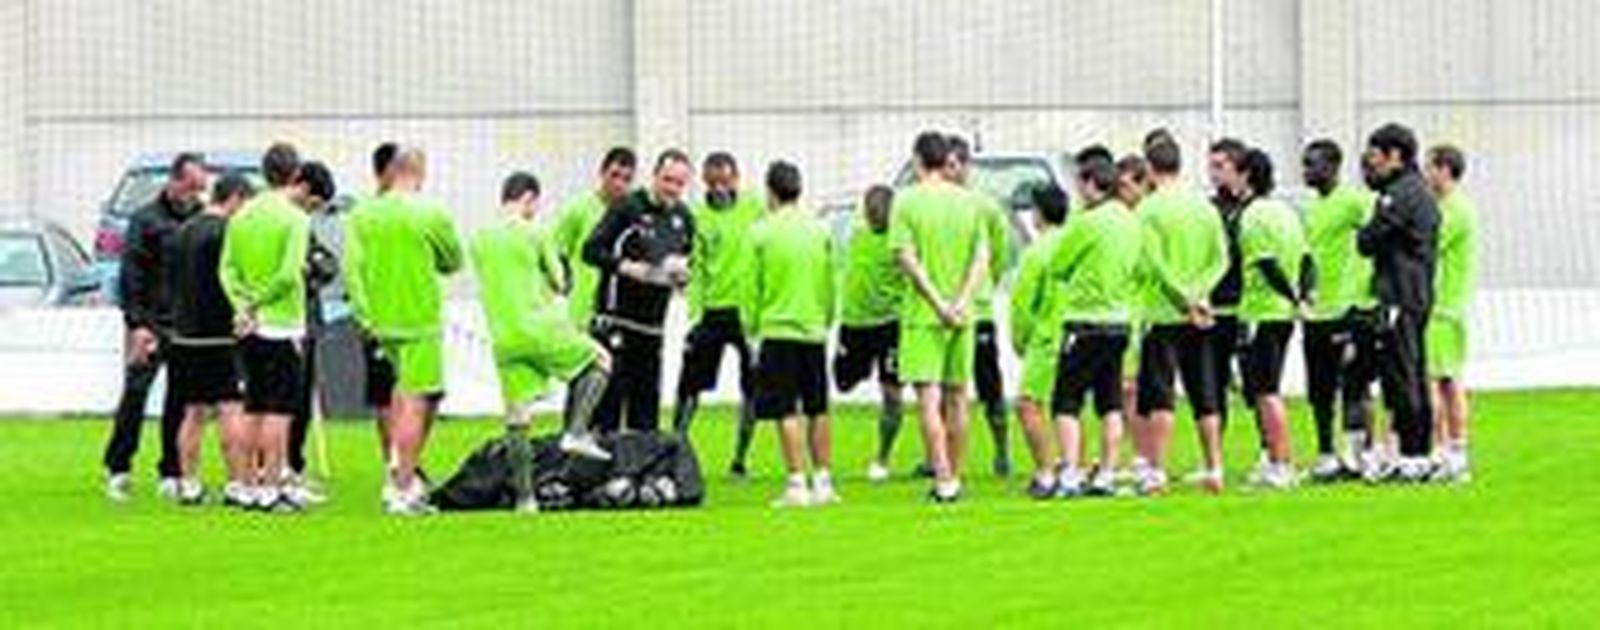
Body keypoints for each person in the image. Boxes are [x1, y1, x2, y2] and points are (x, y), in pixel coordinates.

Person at [469, 172, 615, 511]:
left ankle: (525, 499)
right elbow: (560, 280)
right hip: (539, 326)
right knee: (600, 360)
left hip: (503, 335)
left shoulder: (479, 239)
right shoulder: (536, 231)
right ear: (530, 198)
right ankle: (576, 431)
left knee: (517, 417)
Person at [344, 146, 465, 514]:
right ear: (419, 172)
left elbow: (352, 269)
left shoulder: (362, 214)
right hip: (419, 320)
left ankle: (398, 471)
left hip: (379, 322)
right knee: (417, 399)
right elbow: (453, 261)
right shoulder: (431, 213)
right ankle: (401, 487)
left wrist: (365, 317)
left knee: (400, 396)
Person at [889, 131, 990, 503]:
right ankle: (956, 477)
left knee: (929, 401)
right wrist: (961, 301)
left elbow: (905, 258)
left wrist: (937, 303)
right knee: (959, 398)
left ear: (917, 160)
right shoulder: (968, 202)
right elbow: (982, 258)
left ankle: (944, 478)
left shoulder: (907, 201)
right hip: (963, 314)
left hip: (923, 316)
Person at [103, 152, 208, 502]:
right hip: (149, 322)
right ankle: (118, 467)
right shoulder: (145, 220)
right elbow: (130, 276)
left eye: (200, 188)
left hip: (185, 324)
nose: (195, 194)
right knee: (135, 395)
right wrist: (137, 325)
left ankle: (172, 469)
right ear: (174, 181)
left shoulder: (199, 219)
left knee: (180, 400)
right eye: (191, 186)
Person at [219, 143, 313, 512]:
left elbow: (226, 269)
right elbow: (289, 275)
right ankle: (271, 487)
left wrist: (242, 305)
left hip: (248, 326)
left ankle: (243, 484)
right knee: (279, 411)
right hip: (281, 324)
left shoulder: (240, 217)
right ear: (294, 174)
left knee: (252, 405)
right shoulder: (295, 219)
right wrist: (257, 304)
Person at [1134, 138, 1230, 495]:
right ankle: (1214, 467)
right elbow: (1221, 258)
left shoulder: (1148, 210)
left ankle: (1157, 471)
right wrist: (1200, 294)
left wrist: (1182, 298)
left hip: (1164, 313)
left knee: (1161, 395)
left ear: (1149, 168)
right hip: (1201, 314)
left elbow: (1154, 264)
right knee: (1205, 393)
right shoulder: (1204, 208)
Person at [744, 161, 838, 508]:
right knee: (818, 408)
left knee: (786, 409)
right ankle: (824, 481)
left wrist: (751, 329)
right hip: (813, 330)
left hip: (777, 330)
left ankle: (797, 483)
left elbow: (749, 288)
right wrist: (825, 319)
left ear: (770, 191)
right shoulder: (820, 230)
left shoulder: (760, 233)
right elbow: (830, 283)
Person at [1047, 152, 1141, 498]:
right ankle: (1107, 474)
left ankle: (1070, 474)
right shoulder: (1131, 221)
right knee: (1110, 402)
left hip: (1085, 321)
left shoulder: (1088, 222)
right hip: (1119, 322)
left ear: (1090, 184)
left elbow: (1058, 265)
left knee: (1066, 402)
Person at [583, 149, 696, 434]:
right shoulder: (627, 207)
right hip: (615, 322)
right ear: (655, 176)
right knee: (607, 409)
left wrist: (682, 278)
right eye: (667, 180)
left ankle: (637, 476)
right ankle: (600, 474)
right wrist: (626, 267)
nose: (672, 188)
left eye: (679, 183)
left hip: (652, 328)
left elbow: (683, 260)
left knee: (646, 412)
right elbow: (591, 250)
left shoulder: (684, 218)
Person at [1357, 123, 1441, 482]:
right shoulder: (1420, 190)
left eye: (1375, 158)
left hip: (1399, 294)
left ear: (1395, 155)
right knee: (1414, 371)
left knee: (1401, 373)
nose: (1369, 167)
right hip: (1417, 293)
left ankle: (1411, 456)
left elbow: (1367, 240)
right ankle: (1419, 453)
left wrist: (1368, 230)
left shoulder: (1400, 193)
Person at [673, 152, 764, 477]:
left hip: (748, 316)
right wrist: (694, 315)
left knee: (752, 390)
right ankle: (676, 451)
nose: (720, 189)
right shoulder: (698, 217)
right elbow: (694, 269)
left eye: (725, 182)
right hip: (711, 314)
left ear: (736, 178)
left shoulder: (756, 207)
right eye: (713, 184)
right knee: (689, 388)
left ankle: (740, 461)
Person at [169, 173, 255, 507]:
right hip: (219, 335)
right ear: (234, 198)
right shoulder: (227, 233)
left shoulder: (182, 231)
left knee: (192, 412)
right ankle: (235, 483)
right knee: (230, 407)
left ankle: (188, 483)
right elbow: (232, 281)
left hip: (184, 335)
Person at [1299, 139, 1380, 482]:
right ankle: (1326, 454)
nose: (1306, 171)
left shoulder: (1355, 201)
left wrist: (1371, 285)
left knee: (1355, 384)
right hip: (1318, 310)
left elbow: (1380, 236)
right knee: (1319, 390)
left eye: (1312, 164)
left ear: (1333, 166)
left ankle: (1361, 454)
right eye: (1304, 164)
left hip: (1350, 308)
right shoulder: (1309, 207)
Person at [1236, 148, 1312, 489]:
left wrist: (1291, 295)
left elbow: (1267, 265)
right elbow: (1308, 260)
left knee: (1265, 391)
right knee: (1267, 388)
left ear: (1247, 176)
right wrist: (1304, 294)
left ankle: (1282, 463)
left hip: (1262, 311)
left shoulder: (1252, 216)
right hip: (1283, 314)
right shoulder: (1288, 212)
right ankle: (1275, 460)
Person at [946, 135, 1015, 477]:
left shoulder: (985, 206)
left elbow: (999, 253)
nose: (947, 171)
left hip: (980, 310)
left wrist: (983, 286)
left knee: (990, 384)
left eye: (953, 164)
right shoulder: (936, 203)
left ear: (964, 165)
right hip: (944, 310)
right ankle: (941, 459)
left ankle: (1002, 450)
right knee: (946, 386)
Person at [834, 185, 909, 483]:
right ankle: (862, 368)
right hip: (854, 325)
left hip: (890, 325)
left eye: (881, 211)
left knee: (892, 394)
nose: (876, 215)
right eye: (872, 210)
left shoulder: (900, 241)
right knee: (843, 383)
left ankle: (882, 458)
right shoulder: (855, 235)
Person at [1008, 182, 1069, 498]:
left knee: (1028, 405)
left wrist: (1020, 340)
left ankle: (1046, 472)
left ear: (1038, 213)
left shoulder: (1037, 252)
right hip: (1077, 334)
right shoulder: (1075, 244)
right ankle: (1073, 468)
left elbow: (1021, 305)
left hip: (1045, 338)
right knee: (1068, 407)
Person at [1423, 144, 1479, 483]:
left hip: (1441, 307)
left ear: (1445, 170)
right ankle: (1453, 452)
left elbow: (1426, 243)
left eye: (1429, 167)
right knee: (1448, 380)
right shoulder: (1452, 207)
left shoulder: (1453, 210)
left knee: (1435, 380)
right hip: (1449, 306)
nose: (1425, 174)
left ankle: (1443, 451)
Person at [345, 143, 401, 478]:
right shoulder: (364, 214)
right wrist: (367, 318)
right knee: (384, 396)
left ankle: (406, 463)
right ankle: (393, 465)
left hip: (412, 319)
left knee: (409, 393)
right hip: (380, 321)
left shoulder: (414, 211)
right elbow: (353, 270)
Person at [284, 160, 337, 505]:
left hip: (308, 323)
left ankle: (294, 466)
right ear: (301, 187)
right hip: (281, 325)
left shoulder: (305, 226)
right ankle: (274, 471)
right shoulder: (282, 221)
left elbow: (326, 264)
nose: (313, 211)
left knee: (300, 401)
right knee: (279, 402)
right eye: (314, 203)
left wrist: (313, 270)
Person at [554, 147, 638, 329]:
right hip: (582, 314)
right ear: (602, 172)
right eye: (614, 175)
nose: (619, 184)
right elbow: (557, 252)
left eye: (627, 179)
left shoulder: (636, 215)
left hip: (620, 314)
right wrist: (566, 288)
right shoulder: (578, 210)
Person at [1206, 138, 1251, 439]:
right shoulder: (1209, 209)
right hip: (1215, 306)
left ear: (1239, 169)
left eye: (1220, 166)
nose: (1213, 173)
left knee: (1256, 384)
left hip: (1247, 305)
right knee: (1214, 381)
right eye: (1211, 166)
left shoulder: (1253, 209)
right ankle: (1214, 456)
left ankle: (1270, 456)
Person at [1114, 154, 1153, 482]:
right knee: (1129, 390)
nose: (1120, 192)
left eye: (1125, 185)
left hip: (1139, 313)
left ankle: (1143, 457)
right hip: (1129, 311)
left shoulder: (1142, 219)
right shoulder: (1125, 218)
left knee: (1131, 390)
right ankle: (1141, 455)